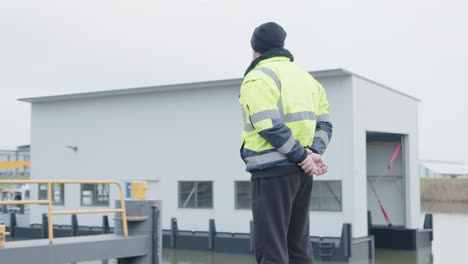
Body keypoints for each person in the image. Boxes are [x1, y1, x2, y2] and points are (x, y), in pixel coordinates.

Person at [239, 22, 333, 264]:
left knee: (271, 250)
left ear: (255, 49)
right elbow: (325, 125)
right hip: (302, 175)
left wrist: (303, 156)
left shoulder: (258, 77)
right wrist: (313, 153)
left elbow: (267, 125)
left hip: (272, 173)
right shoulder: (309, 80)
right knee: (298, 248)